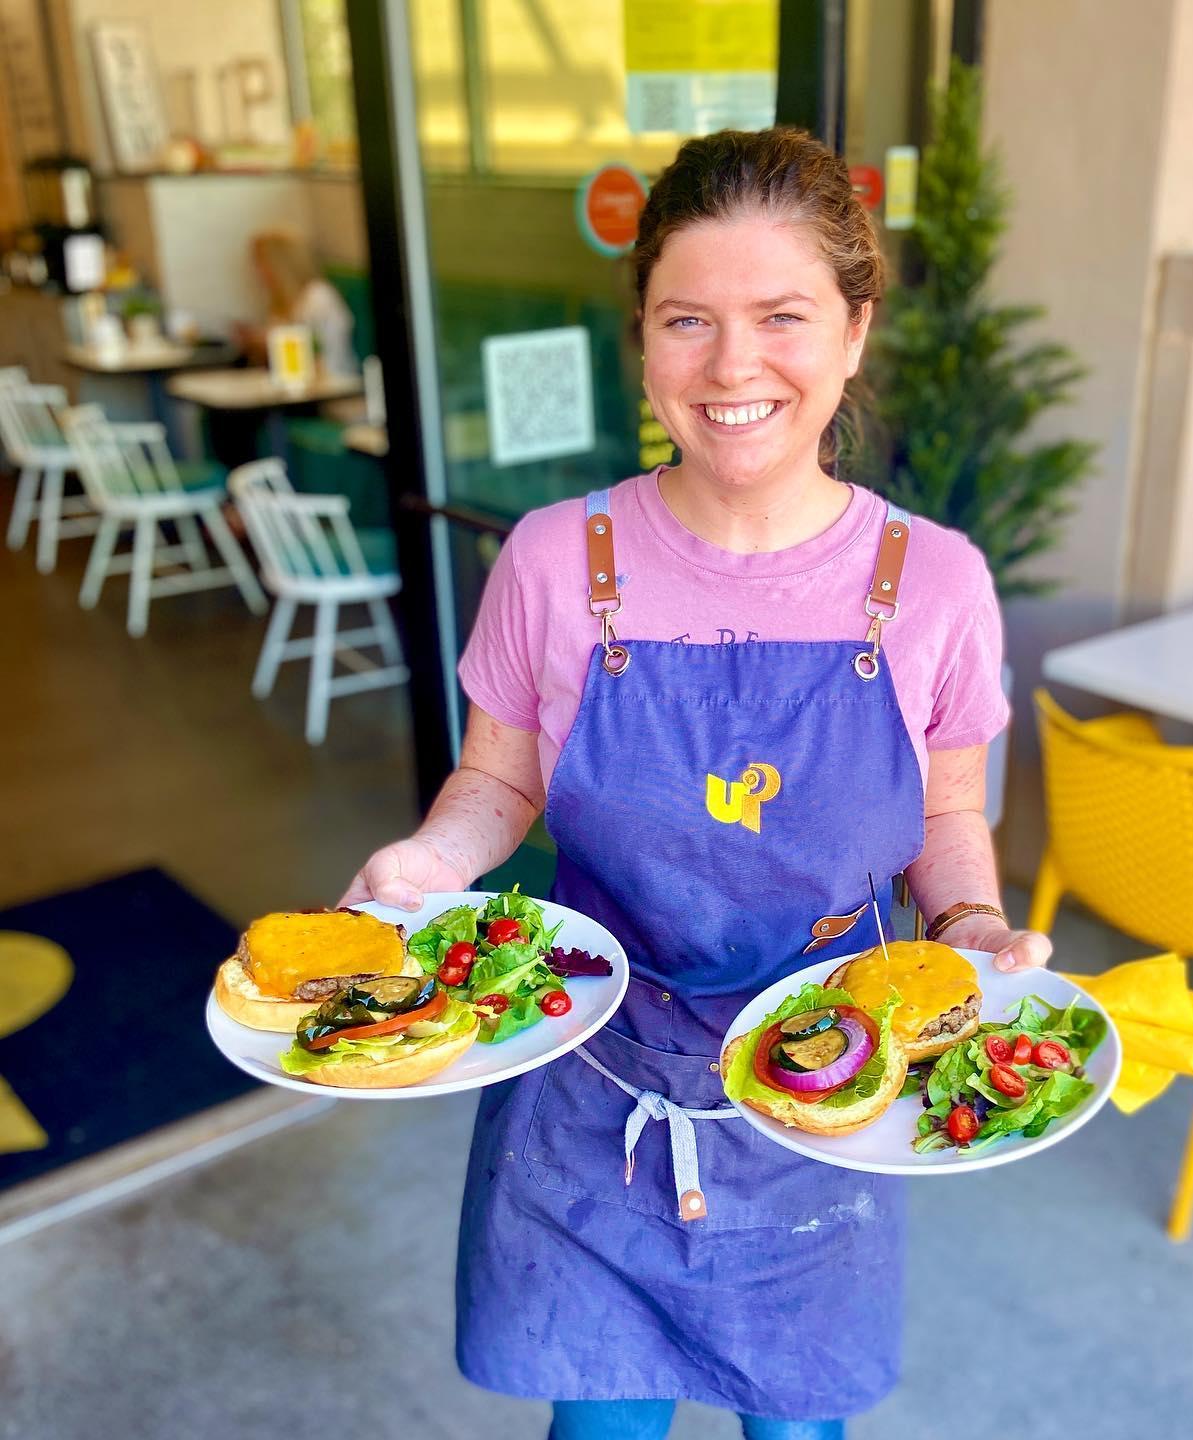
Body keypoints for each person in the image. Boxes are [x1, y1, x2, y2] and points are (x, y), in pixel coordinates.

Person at [341, 127, 1053, 1440]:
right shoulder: (557, 560)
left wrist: (967, 930)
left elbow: (948, 813)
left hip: (825, 1099)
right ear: (644, 342)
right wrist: (432, 865)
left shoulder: (937, 584)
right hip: (588, 1092)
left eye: (781, 315)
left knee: (797, 1427)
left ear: (853, 329)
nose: (733, 368)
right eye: (687, 321)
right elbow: (496, 781)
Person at [239, 228, 358, 377]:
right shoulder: (281, 302)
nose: (256, 272)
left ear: (280, 263)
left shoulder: (318, 296)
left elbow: (330, 356)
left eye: (260, 263)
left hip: (333, 384)